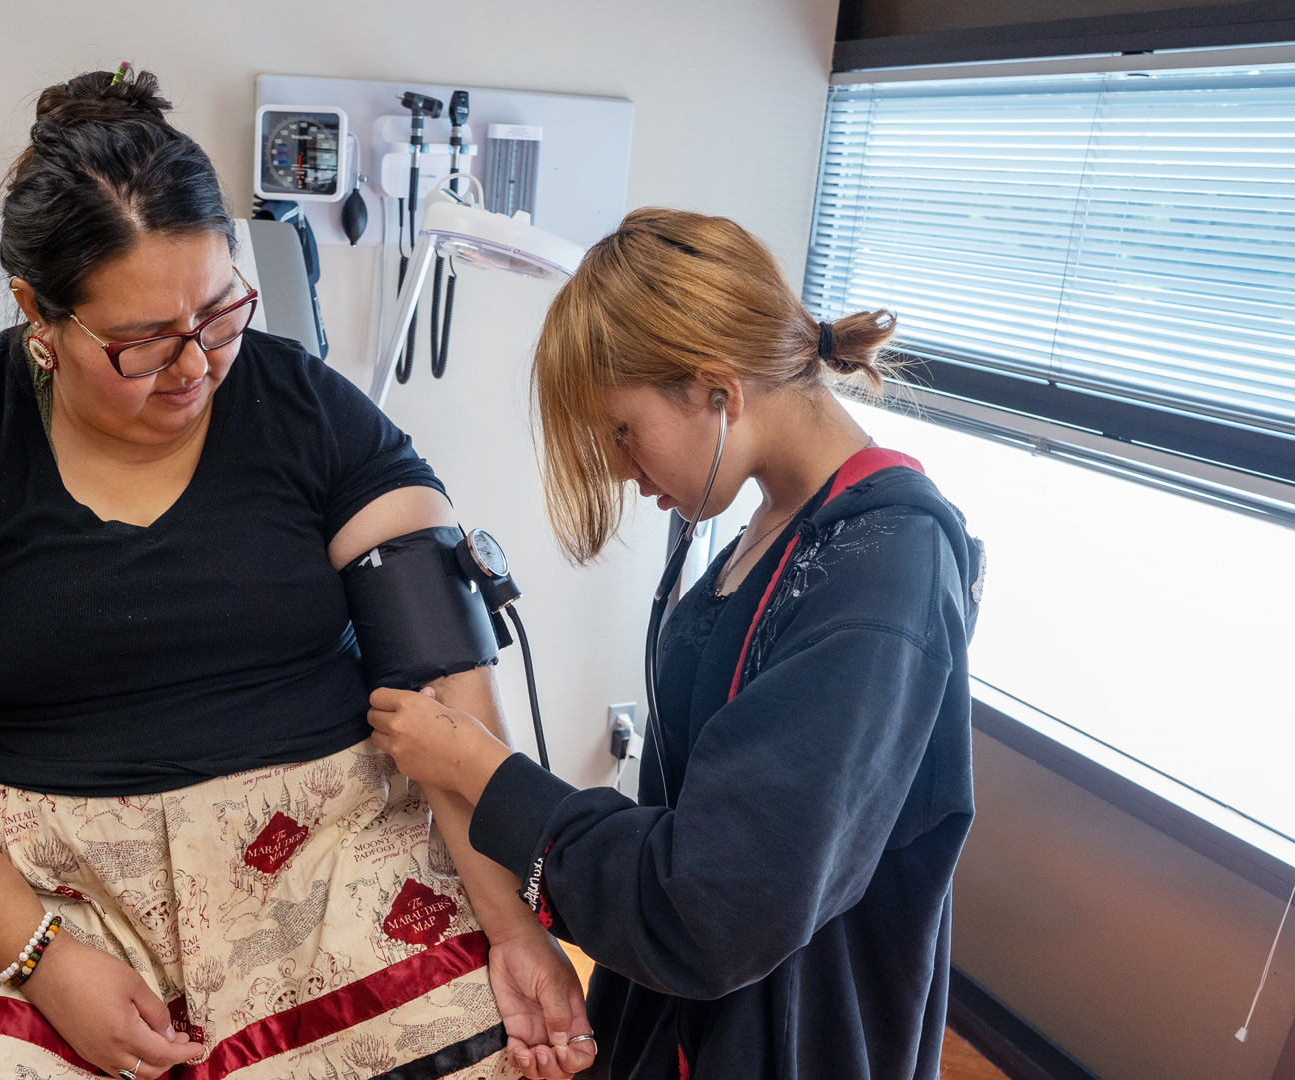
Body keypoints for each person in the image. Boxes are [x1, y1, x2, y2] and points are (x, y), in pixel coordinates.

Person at [0, 67, 596, 1080]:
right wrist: (40, 959)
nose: (196, 367)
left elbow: (445, 684)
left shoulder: (307, 409)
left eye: (220, 314)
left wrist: (516, 928)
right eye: (141, 343)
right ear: (37, 314)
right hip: (38, 874)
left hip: (319, 849)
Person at [367, 208, 985, 1080]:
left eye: (623, 431)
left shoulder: (881, 573)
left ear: (718, 392)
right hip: (688, 1007)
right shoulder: (777, 527)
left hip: (786, 1032)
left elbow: (712, 908)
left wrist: (479, 768)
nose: (622, 467)